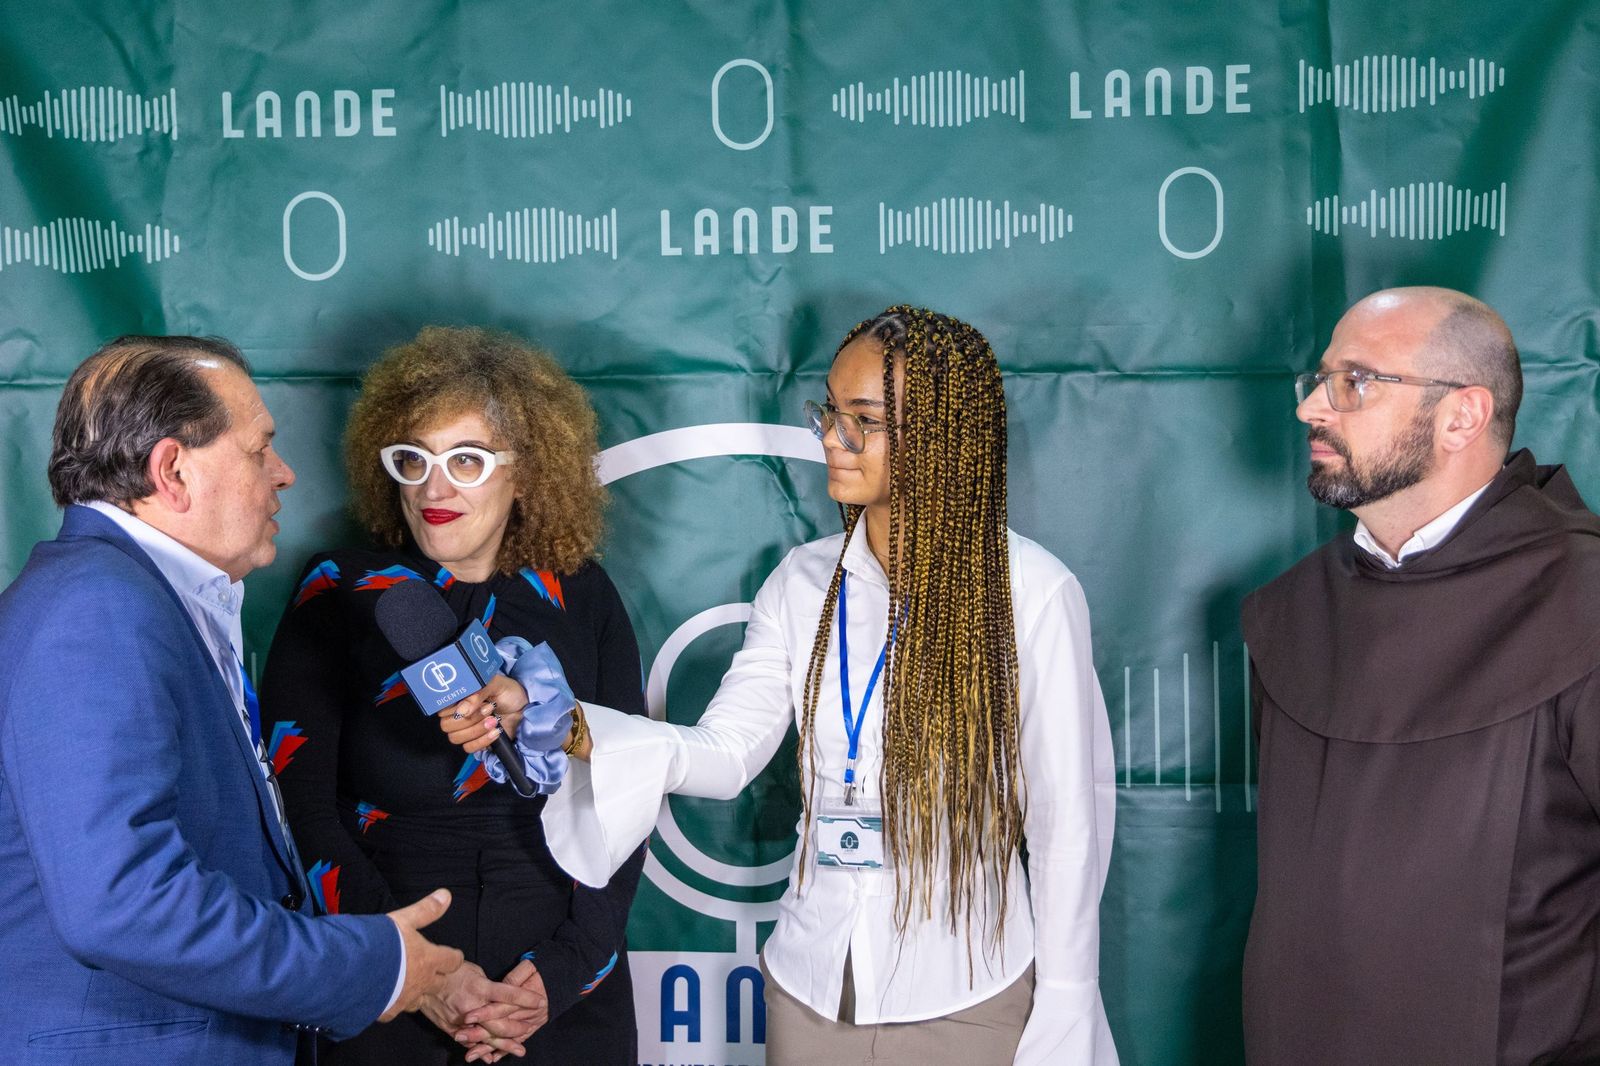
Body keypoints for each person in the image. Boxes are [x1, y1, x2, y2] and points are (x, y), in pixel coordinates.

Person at [444, 307, 1120, 1064]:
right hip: (809, 990)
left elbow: (1067, 825)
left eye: (864, 419)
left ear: (939, 435)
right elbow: (726, 751)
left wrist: (1065, 1010)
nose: (831, 437)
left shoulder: (1030, 592)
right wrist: (563, 722)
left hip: (967, 996)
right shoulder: (803, 583)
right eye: (830, 410)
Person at [0, 335, 480, 1065]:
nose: (284, 475)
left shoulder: (131, 599)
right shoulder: (96, 610)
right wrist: (367, 967)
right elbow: (121, 901)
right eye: (260, 450)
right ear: (173, 471)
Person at [262, 326, 647, 1065]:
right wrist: (415, 972)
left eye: (466, 460)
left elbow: (628, 795)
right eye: (414, 459)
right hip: (388, 988)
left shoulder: (587, 597)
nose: (434, 489)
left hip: (557, 1004)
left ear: (527, 472)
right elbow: (300, 813)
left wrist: (562, 975)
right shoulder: (335, 592)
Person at [1242, 287, 1600, 1064]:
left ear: (1462, 416)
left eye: (1356, 381)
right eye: (1321, 379)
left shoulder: (1585, 600)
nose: (1312, 409)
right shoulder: (1291, 613)